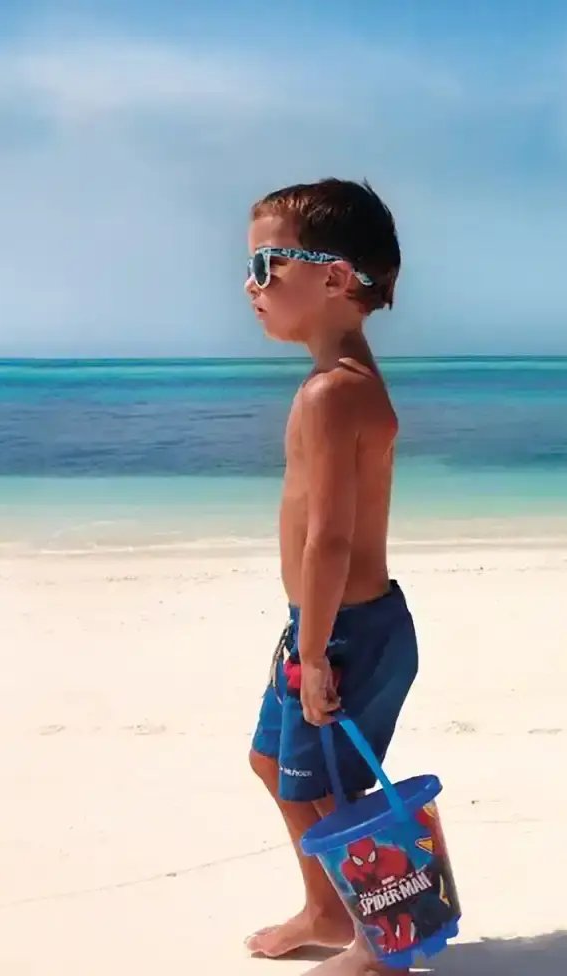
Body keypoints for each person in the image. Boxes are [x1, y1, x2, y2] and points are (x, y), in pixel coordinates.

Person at [242, 178, 418, 976]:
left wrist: (313, 656)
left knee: (333, 790)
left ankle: (381, 946)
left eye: (269, 264)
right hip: (330, 623)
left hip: (342, 628)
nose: (253, 284)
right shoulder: (341, 386)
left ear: (335, 278)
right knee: (276, 764)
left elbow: (330, 540)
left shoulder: (332, 395)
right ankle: (323, 907)